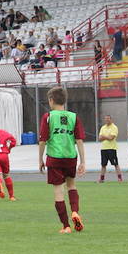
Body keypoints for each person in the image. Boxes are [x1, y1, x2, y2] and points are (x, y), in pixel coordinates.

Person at [38, 87, 85, 234]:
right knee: (71, 185)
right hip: (71, 157)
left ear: (51, 100)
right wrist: (83, 161)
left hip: (55, 158)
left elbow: (42, 141)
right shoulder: (73, 116)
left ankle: (66, 226)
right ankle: (75, 212)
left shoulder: (48, 117)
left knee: (58, 191)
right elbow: (79, 140)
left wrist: (40, 159)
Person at [98, 115, 122, 183]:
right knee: (103, 165)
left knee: (115, 164)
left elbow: (111, 138)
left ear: (111, 119)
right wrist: (106, 137)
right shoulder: (103, 127)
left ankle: (119, 178)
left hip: (112, 149)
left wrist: (104, 136)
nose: (107, 120)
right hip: (103, 149)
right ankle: (102, 179)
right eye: (106, 119)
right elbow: (100, 138)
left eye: (108, 119)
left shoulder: (114, 127)